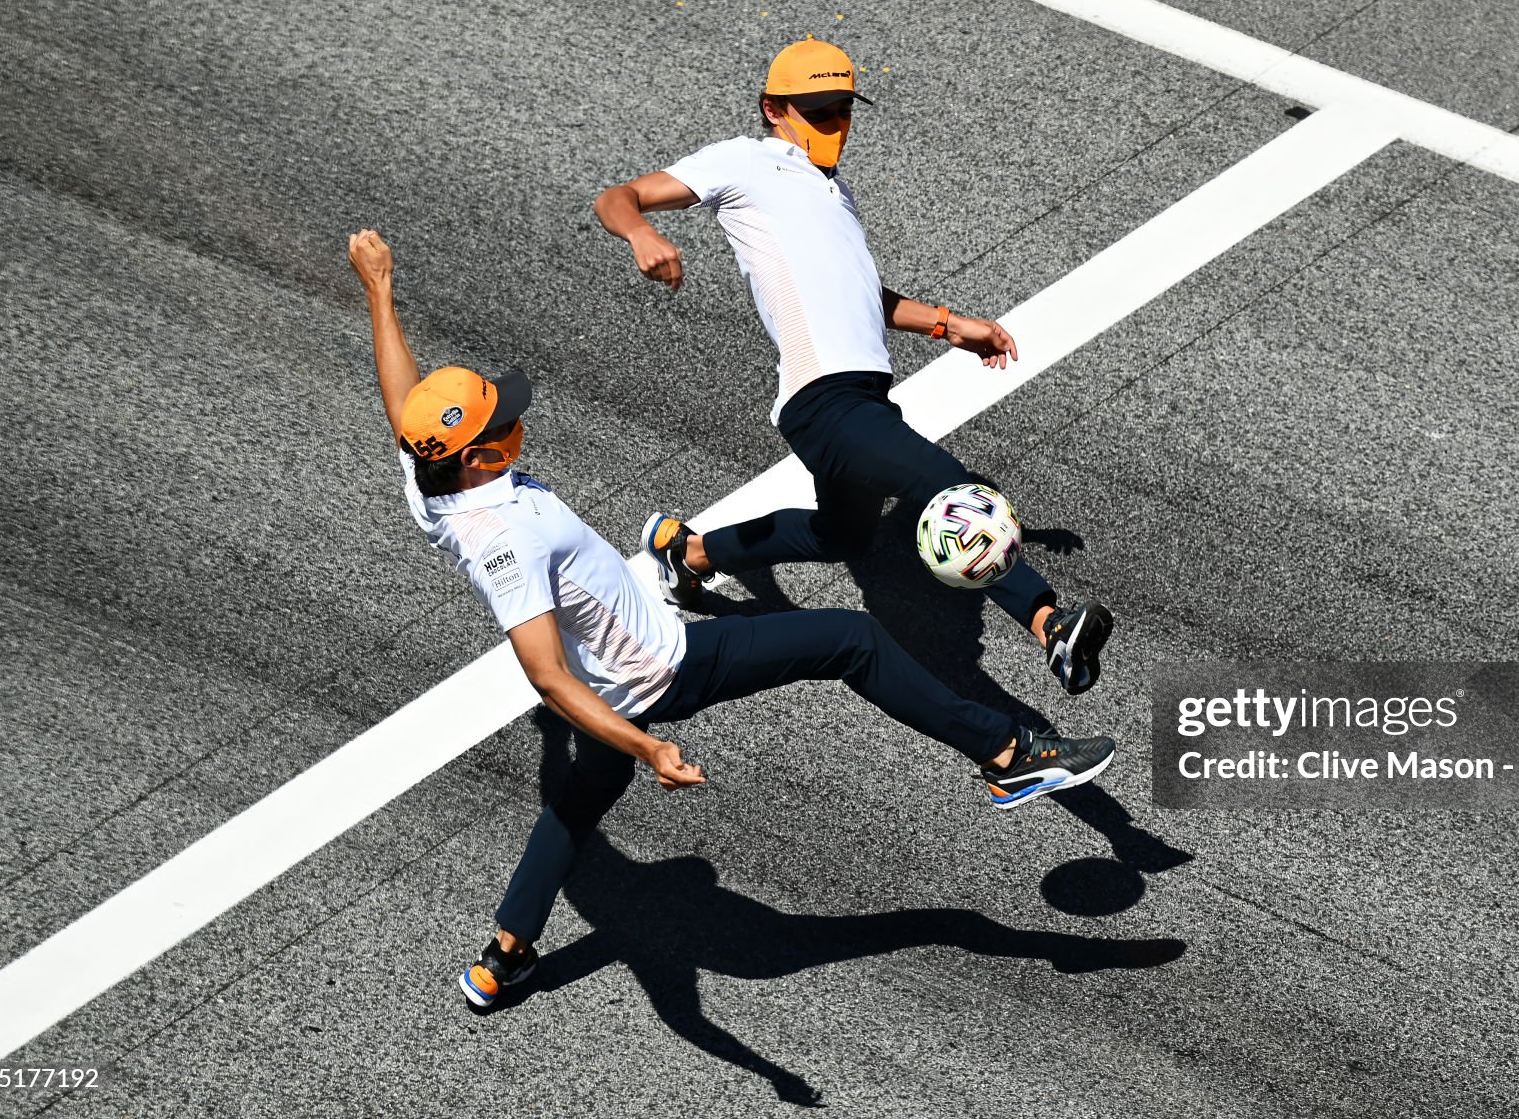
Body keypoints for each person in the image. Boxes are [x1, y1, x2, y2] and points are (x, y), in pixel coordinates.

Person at [347, 229, 1116, 1010]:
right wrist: (650, 745)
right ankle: (1009, 754)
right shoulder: (502, 537)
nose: (515, 420)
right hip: (661, 669)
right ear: (477, 456)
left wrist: (379, 289)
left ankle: (503, 958)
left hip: (608, 683)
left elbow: (402, 404)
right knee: (851, 641)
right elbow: (544, 675)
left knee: (578, 803)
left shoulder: (432, 473)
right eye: (501, 421)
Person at [592, 38, 1114, 697]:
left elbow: (861, 295)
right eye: (817, 110)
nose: (833, 123)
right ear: (774, 109)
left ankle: (689, 553)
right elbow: (618, 196)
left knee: (843, 534)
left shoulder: (837, 197)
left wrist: (951, 324)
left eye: (841, 109)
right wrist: (641, 233)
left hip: (861, 401)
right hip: (826, 403)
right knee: (947, 486)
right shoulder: (744, 162)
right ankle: (1049, 623)